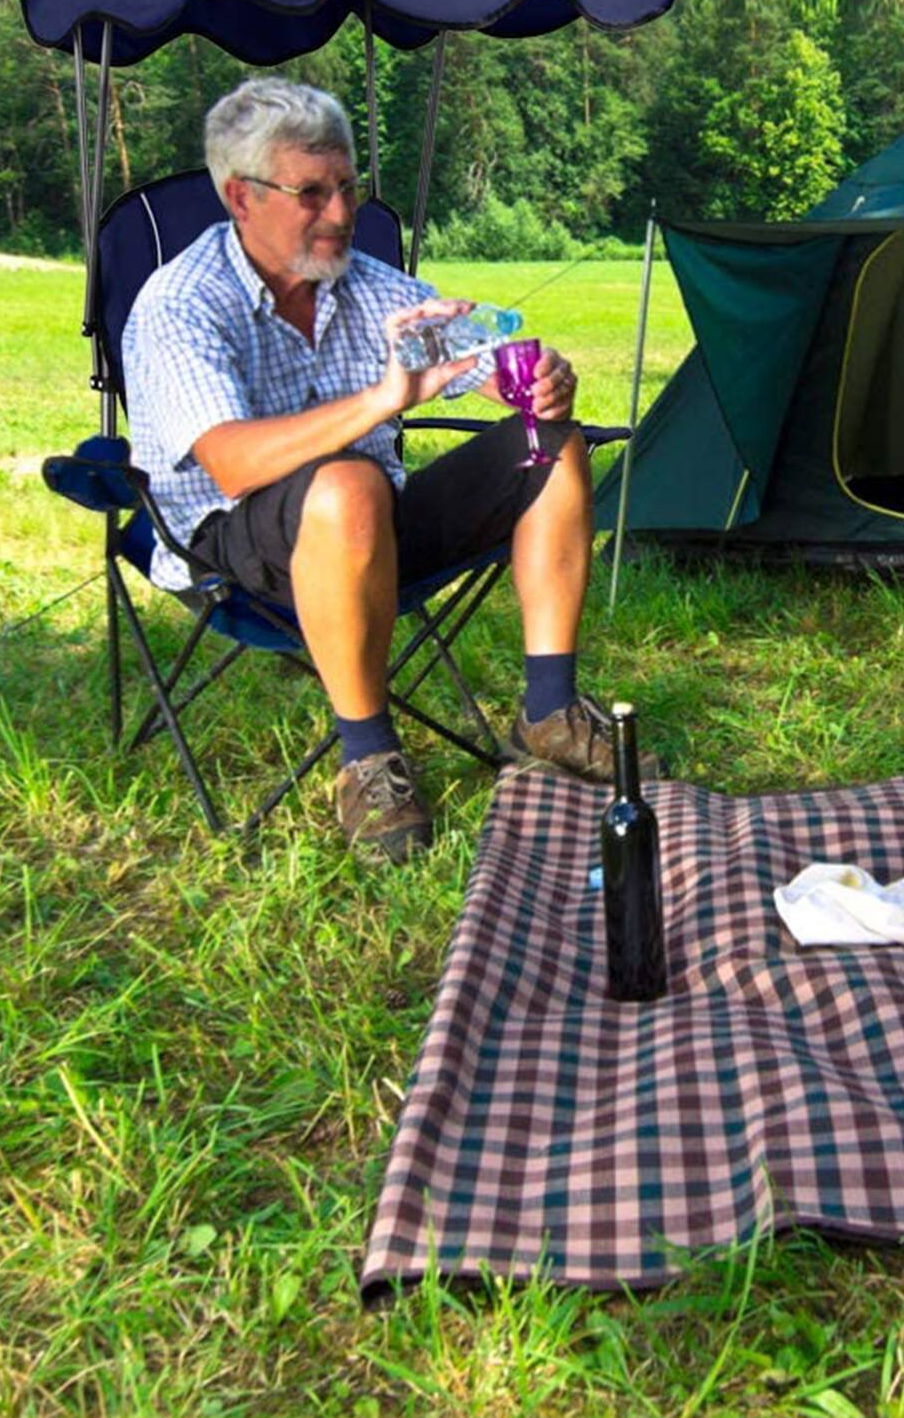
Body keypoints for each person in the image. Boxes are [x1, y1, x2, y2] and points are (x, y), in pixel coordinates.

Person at [123, 76, 647, 864]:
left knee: (552, 441)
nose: (339, 215)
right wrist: (381, 399)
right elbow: (231, 464)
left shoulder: (366, 284)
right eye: (311, 193)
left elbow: (481, 353)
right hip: (234, 549)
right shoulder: (182, 303)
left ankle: (549, 711)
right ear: (241, 196)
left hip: (372, 527)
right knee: (346, 484)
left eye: (347, 188)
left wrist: (537, 375)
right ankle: (367, 757)